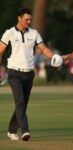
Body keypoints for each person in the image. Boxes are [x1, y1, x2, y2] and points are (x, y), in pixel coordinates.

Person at [0, 8, 60, 141]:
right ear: (19, 18)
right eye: (26, 19)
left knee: (23, 104)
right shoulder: (9, 33)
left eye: (29, 19)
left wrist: (54, 57)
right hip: (14, 72)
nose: (28, 21)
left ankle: (11, 130)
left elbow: (43, 48)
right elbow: (0, 51)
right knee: (20, 102)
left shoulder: (34, 33)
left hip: (29, 74)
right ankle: (25, 131)